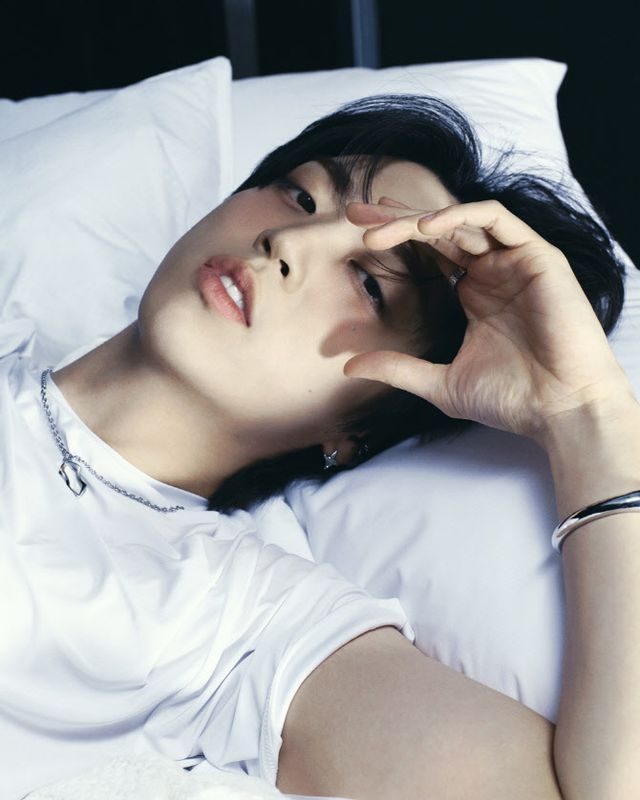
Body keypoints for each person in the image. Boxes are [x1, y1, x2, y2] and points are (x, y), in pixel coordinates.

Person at [0, 94, 638, 799]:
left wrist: (587, 414)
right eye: (301, 197)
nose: (290, 244)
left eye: (369, 285)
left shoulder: (233, 614)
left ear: (357, 432)